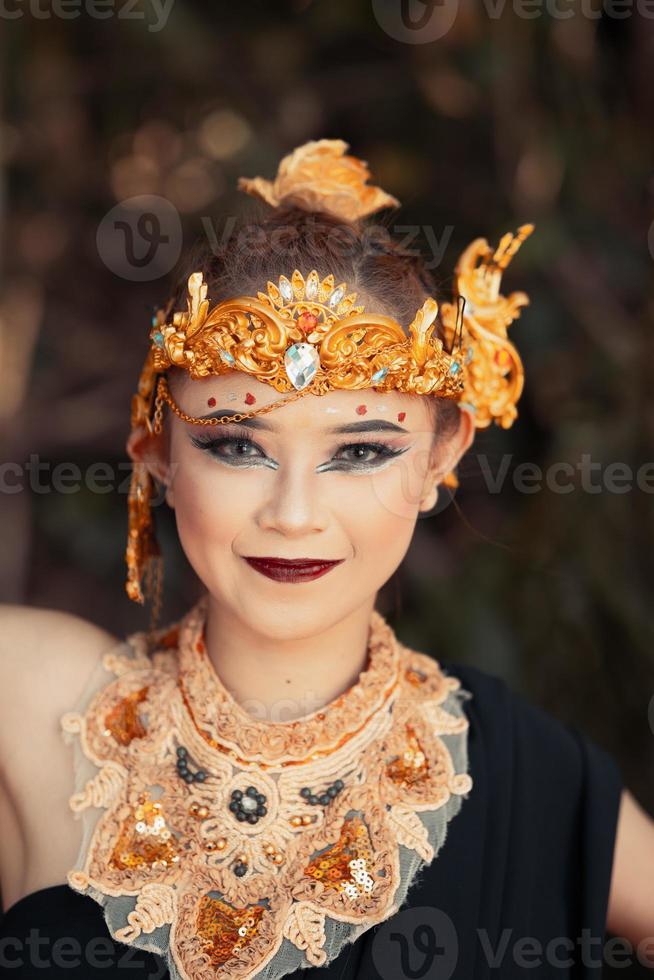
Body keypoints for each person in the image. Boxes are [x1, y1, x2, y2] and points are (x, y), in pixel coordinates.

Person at [0, 140, 652, 980]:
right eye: (237, 445)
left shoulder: (529, 778)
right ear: (157, 450)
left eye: (361, 452)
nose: (294, 514)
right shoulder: (34, 703)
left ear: (438, 461)